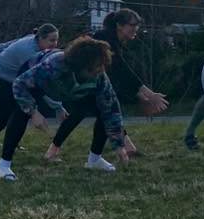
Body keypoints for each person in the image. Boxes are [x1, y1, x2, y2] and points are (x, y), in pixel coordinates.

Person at [0, 36, 127, 181]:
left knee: (100, 109)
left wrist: (118, 144)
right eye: (95, 67)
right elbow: (19, 84)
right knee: (21, 112)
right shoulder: (55, 65)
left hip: (68, 89)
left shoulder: (99, 77)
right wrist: (33, 111)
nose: (100, 71)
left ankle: (94, 160)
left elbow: (111, 109)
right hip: (36, 80)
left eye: (102, 66)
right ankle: (3, 166)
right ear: (80, 65)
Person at [47, 9, 167, 161]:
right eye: (133, 24)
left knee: (100, 113)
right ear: (119, 25)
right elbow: (123, 70)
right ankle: (61, 153)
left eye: (137, 24)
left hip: (91, 80)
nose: (136, 28)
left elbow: (116, 76)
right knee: (89, 113)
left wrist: (141, 96)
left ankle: (124, 149)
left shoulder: (113, 40)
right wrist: (149, 94)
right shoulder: (106, 40)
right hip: (77, 79)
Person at [0, 24, 63, 143]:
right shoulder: (29, 53)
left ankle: (7, 141)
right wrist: (57, 107)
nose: (55, 44)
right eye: (51, 40)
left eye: (56, 40)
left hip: (9, 80)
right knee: (10, 112)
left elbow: (11, 43)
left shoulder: (32, 38)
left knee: (21, 111)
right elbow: (38, 86)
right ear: (40, 38)